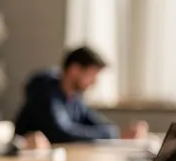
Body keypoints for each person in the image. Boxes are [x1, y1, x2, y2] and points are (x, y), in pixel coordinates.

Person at [14, 46, 148, 143]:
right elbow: (61, 133)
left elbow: (96, 123)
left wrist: (116, 133)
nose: (94, 83)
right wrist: (110, 134)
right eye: (91, 75)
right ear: (75, 70)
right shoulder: (46, 91)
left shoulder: (74, 97)